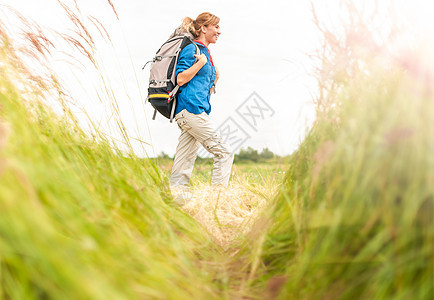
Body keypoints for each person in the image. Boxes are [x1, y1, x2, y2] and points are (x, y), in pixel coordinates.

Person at [170, 12, 234, 192]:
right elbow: (181, 79)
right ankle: (218, 200)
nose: (219, 31)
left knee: (184, 160)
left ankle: (175, 198)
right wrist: (200, 64)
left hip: (193, 112)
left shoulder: (205, 52)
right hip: (191, 111)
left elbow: (201, 86)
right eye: (216, 27)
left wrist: (214, 78)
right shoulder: (192, 49)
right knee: (224, 153)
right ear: (203, 28)